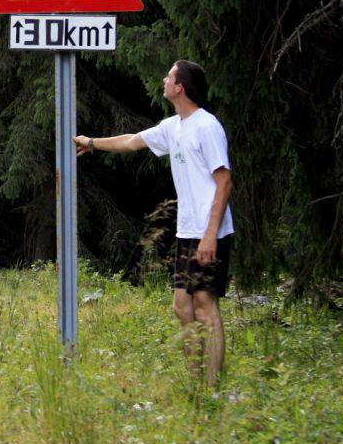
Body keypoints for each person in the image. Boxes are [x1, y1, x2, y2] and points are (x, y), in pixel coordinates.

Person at [73, 60, 234, 386]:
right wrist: (91, 143)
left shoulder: (207, 126)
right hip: (187, 231)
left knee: (204, 307)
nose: (164, 80)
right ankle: (195, 383)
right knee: (182, 308)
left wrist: (210, 236)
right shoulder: (173, 127)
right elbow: (132, 141)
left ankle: (213, 388)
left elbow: (225, 181)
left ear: (180, 87)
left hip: (210, 232)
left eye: (169, 76)